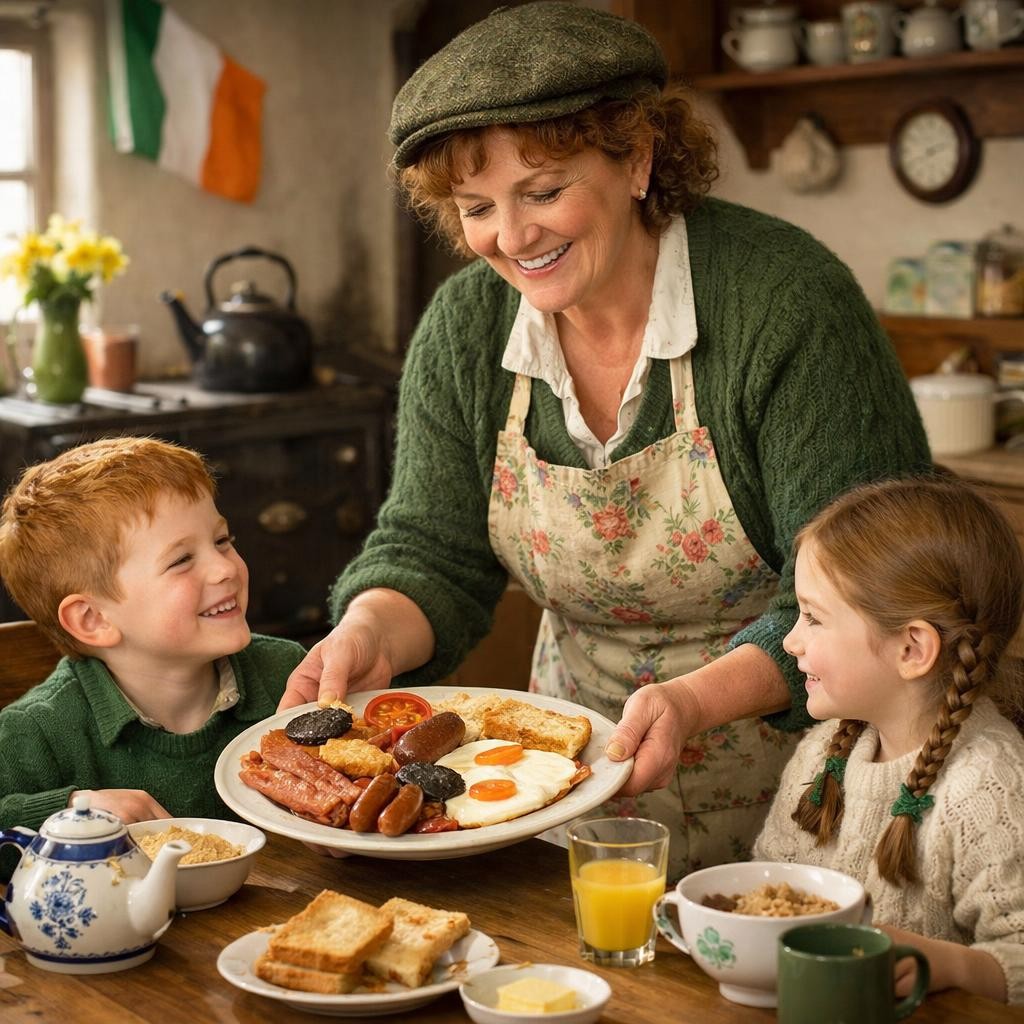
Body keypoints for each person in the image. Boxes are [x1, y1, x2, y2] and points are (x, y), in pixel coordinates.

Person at [281, 2, 931, 876]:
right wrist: (367, 631)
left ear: (638, 157)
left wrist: (695, 702)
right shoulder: (467, 329)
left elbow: (872, 591)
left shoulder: (786, 303)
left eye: (543, 192)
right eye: (477, 207)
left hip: (810, 782)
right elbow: (431, 551)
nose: (511, 239)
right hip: (560, 789)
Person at [753, 476, 1024, 1004]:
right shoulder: (825, 749)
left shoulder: (989, 787)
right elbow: (771, 889)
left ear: (911, 649)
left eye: (813, 617)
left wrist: (956, 967)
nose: (790, 641)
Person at [0, 437, 305, 876]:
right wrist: (74, 809)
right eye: (182, 559)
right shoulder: (39, 730)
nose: (225, 568)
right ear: (92, 619)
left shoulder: (287, 675)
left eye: (221, 540)